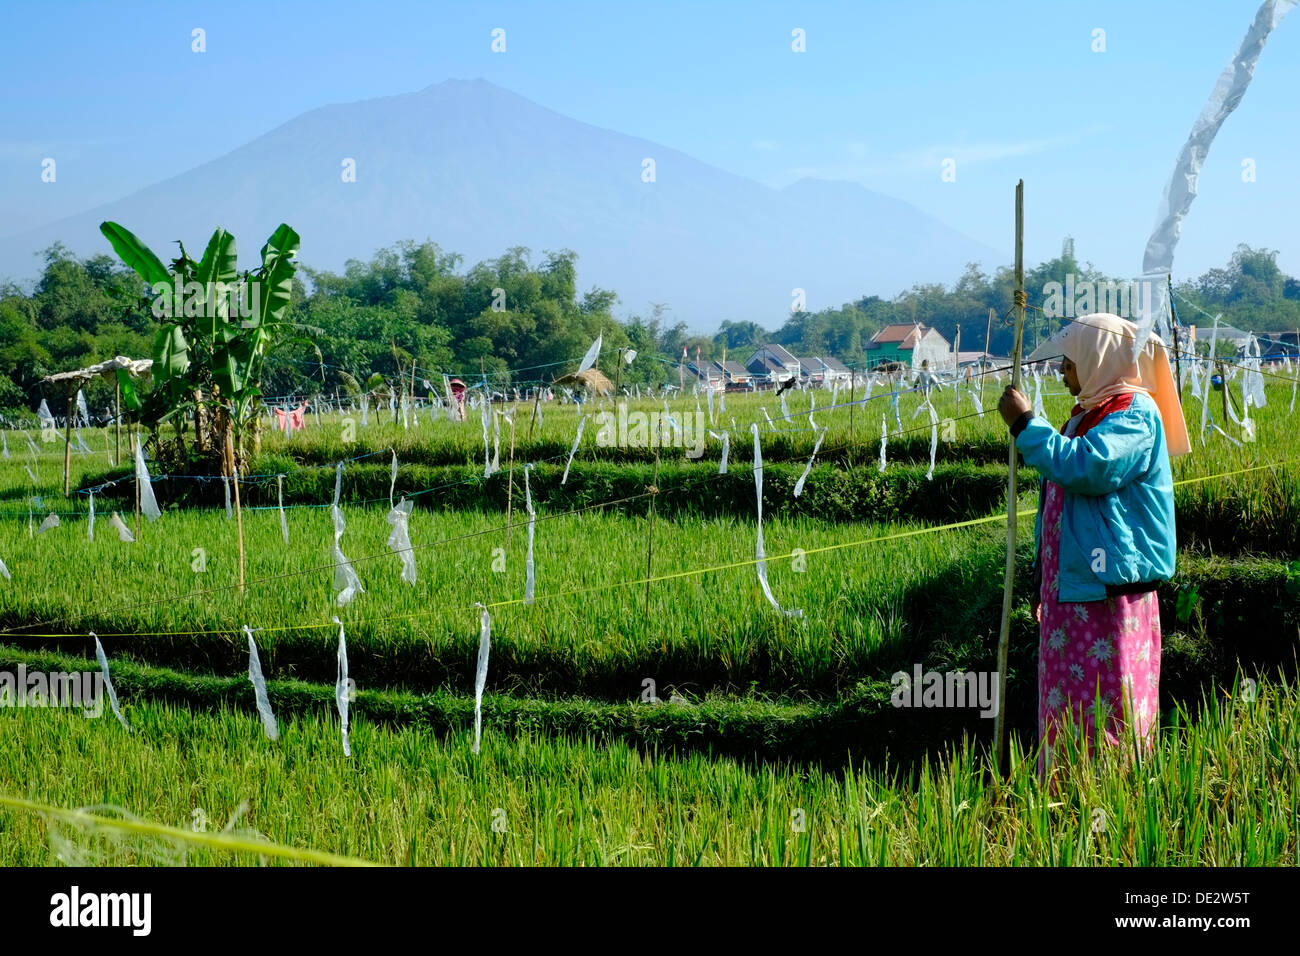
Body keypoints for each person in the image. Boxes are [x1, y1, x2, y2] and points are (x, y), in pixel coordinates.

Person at [997, 313, 1191, 780]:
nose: (1063, 372)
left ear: (1097, 359)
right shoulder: (1085, 416)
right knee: (1066, 702)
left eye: (1070, 361)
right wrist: (1043, 578)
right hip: (1070, 594)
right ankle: (1063, 794)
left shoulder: (1135, 415)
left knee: (1108, 707)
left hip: (1108, 594)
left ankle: (1106, 798)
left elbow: (1088, 468)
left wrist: (1025, 424)